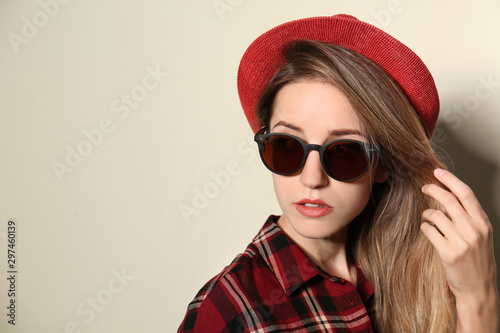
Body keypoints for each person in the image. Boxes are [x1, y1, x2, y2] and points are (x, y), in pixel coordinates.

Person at [178, 14, 499, 332]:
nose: (311, 179)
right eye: (287, 146)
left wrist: (476, 295)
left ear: (382, 165)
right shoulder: (230, 309)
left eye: (345, 152)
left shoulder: (410, 276)